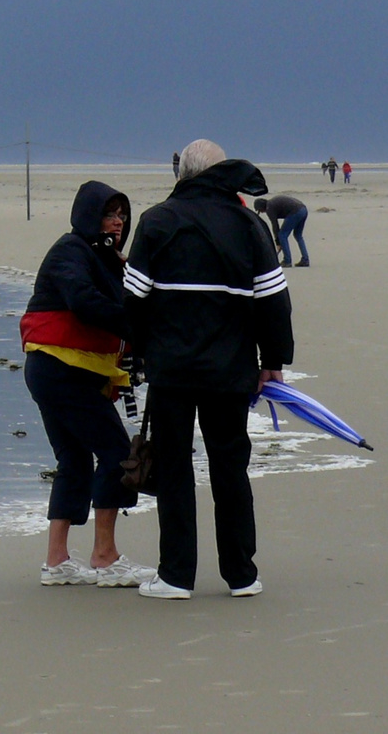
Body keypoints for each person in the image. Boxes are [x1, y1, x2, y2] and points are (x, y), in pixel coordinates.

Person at [124, 140, 293, 600]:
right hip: (230, 370)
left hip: (172, 371)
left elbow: (133, 299)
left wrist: (135, 357)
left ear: (182, 172)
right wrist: (273, 363)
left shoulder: (157, 220)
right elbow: (274, 302)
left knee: (175, 468)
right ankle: (242, 575)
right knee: (230, 467)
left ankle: (176, 576)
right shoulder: (248, 224)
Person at [21, 182, 153, 588]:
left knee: (74, 461)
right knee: (116, 454)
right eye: (109, 214)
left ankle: (57, 562)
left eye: (121, 215)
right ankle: (105, 558)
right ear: (88, 216)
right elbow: (81, 300)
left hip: (61, 371)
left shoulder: (108, 259)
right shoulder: (71, 250)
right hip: (60, 369)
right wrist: (141, 329)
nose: (118, 221)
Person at [254, 194, 310, 268]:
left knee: (282, 235)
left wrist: (278, 242)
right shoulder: (272, 202)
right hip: (303, 210)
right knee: (298, 235)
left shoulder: (269, 208)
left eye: (260, 210)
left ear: (261, 207)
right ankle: (305, 260)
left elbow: (275, 225)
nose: (261, 212)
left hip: (295, 212)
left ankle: (287, 261)